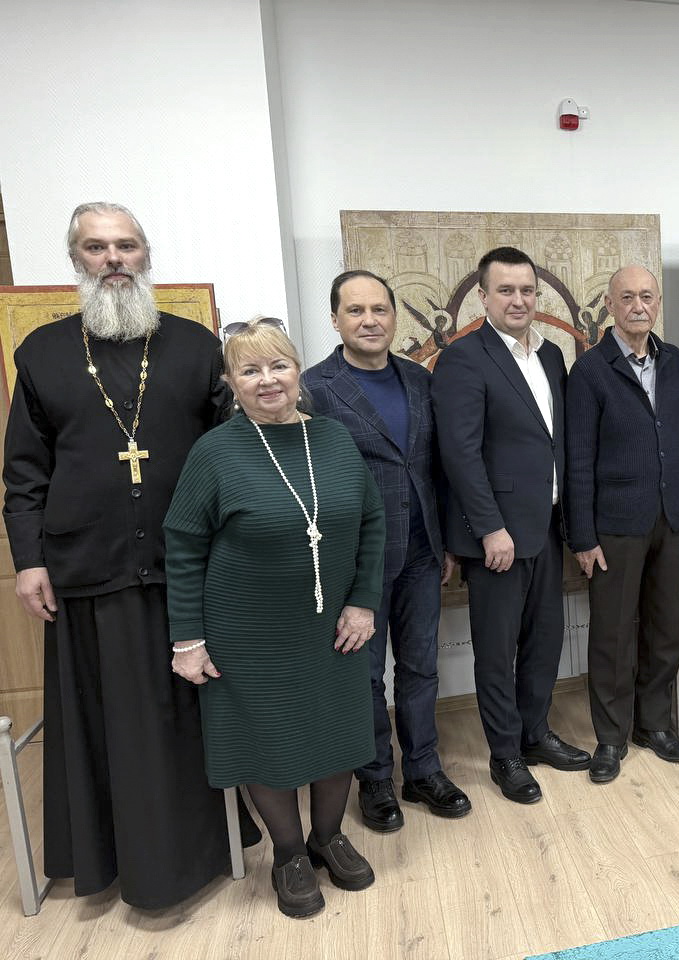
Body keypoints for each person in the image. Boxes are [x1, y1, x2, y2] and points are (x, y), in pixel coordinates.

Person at [2, 202, 251, 908]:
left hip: (186, 568)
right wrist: (29, 559)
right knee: (107, 726)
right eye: (96, 247)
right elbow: (25, 471)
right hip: (89, 567)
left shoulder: (195, 346)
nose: (113, 258)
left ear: (146, 255)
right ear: (75, 259)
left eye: (126, 245)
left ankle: (202, 853)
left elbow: (233, 450)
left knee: (186, 718)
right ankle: (109, 859)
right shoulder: (44, 352)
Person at [165, 321, 384, 918]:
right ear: (231, 382)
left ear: (297, 371)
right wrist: (187, 640)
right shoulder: (215, 452)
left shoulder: (333, 438)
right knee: (269, 741)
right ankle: (289, 855)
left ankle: (328, 837)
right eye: (250, 370)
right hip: (247, 633)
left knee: (338, 733)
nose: (268, 380)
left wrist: (363, 600)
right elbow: (182, 546)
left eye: (278, 366)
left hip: (334, 627)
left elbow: (372, 521)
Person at [302, 270, 468, 832]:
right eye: (356, 311)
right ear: (334, 320)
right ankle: (374, 778)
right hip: (355, 563)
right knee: (365, 675)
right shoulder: (314, 388)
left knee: (420, 667)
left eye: (380, 309)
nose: (370, 320)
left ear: (394, 317)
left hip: (422, 550)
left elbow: (435, 467)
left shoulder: (419, 378)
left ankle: (423, 770)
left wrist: (446, 542)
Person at [433, 246, 590, 804]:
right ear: (483, 296)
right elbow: (460, 453)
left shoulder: (551, 355)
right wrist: (488, 529)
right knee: (497, 651)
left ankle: (535, 733)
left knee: (545, 640)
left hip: (545, 525)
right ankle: (505, 755)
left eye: (527, 290)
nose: (518, 300)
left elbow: (552, 441)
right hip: (497, 534)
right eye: (505, 290)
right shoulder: (462, 359)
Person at [565, 265, 679, 783]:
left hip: (672, 518)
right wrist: (582, 536)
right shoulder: (590, 371)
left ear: (657, 303)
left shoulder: (676, 362)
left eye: (646, 296)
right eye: (627, 297)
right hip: (615, 525)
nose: (638, 306)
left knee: (665, 629)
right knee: (613, 634)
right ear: (610, 305)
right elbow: (578, 460)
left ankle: (655, 725)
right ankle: (611, 736)